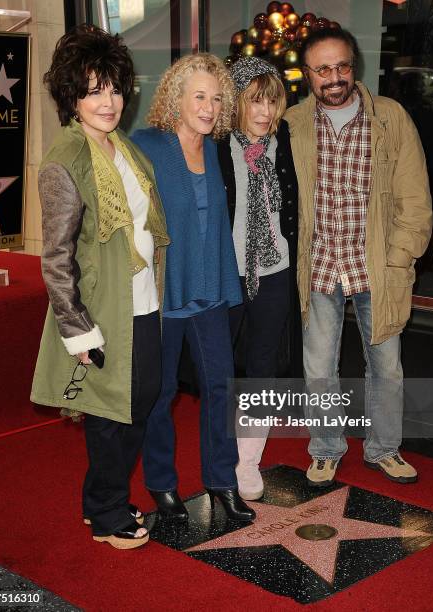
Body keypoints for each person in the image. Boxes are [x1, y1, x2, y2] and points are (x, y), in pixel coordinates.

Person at [30, 25, 169, 549]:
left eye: (113, 87)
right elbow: (57, 256)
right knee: (111, 411)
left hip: (143, 300)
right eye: (93, 90)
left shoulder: (125, 151)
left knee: (144, 397)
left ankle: (100, 498)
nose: (107, 101)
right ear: (72, 97)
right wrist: (76, 327)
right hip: (101, 308)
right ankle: (108, 512)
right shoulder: (64, 162)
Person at [284, 27, 432, 487]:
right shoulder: (290, 124)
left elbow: (415, 200)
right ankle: (326, 449)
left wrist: (399, 259)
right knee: (318, 367)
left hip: (378, 268)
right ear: (307, 74)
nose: (335, 77)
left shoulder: (390, 117)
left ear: (355, 66)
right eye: (323, 68)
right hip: (319, 266)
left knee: (386, 364)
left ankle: (384, 448)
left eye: (342, 65)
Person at [131, 53, 255, 521]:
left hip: (212, 289)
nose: (208, 107)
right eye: (199, 96)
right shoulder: (145, 145)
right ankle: (162, 484)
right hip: (164, 292)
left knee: (221, 388)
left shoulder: (221, 149)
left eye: (216, 98)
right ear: (175, 99)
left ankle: (222, 482)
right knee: (160, 394)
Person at [216, 56, 301, 500]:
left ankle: (248, 461)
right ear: (237, 104)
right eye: (255, 101)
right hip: (226, 274)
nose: (266, 112)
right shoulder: (215, 146)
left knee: (263, 367)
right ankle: (220, 453)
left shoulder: (285, 142)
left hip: (275, 271)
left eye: (272, 101)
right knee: (221, 367)